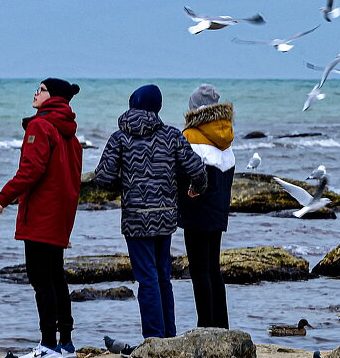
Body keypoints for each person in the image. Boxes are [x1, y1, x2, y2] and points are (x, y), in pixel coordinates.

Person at [94, 84, 207, 339]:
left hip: (135, 218)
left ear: (133, 103)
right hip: (165, 216)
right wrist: (195, 189)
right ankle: (168, 335)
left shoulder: (120, 138)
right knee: (162, 277)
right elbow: (197, 170)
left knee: (146, 279)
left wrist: (122, 185)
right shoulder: (171, 135)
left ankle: (153, 338)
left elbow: (103, 178)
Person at [0, 77, 83, 358]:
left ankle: (48, 345)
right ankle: (65, 343)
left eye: (40, 89)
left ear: (51, 97)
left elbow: (31, 170)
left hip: (41, 213)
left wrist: (1, 198)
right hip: (61, 214)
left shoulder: (40, 126)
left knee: (42, 279)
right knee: (56, 277)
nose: (35, 93)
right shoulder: (70, 133)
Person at [177, 84, 235, 328]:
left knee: (199, 270)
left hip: (196, 210)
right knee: (213, 269)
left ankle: (206, 325)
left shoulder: (191, 136)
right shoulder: (226, 137)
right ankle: (221, 325)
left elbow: (182, 173)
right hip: (219, 210)